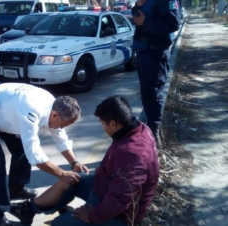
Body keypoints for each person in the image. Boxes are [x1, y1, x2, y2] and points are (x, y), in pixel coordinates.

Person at [10, 95, 160, 226]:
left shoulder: (132, 155)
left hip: (119, 216)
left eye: (102, 123)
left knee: (58, 224)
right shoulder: (138, 129)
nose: (102, 127)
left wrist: (92, 215)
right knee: (72, 179)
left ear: (113, 124)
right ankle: (28, 210)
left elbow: (119, 201)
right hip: (105, 187)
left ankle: (72, 219)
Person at [0, 83, 88, 226]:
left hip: (3, 114)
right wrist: (61, 174)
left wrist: (74, 163)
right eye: (63, 124)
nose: (61, 128)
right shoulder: (32, 110)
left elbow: (60, 137)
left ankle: (16, 189)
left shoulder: (55, 107)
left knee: (21, 149)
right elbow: (34, 153)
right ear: (55, 115)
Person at [132, 0, 181, 148]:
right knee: (146, 93)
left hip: (156, 53)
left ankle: (155, 134)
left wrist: (146, 22)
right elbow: (136, 16)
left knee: (153, 93)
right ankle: (149, 133)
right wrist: (137, 6)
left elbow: (173, 23)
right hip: (144, 52)